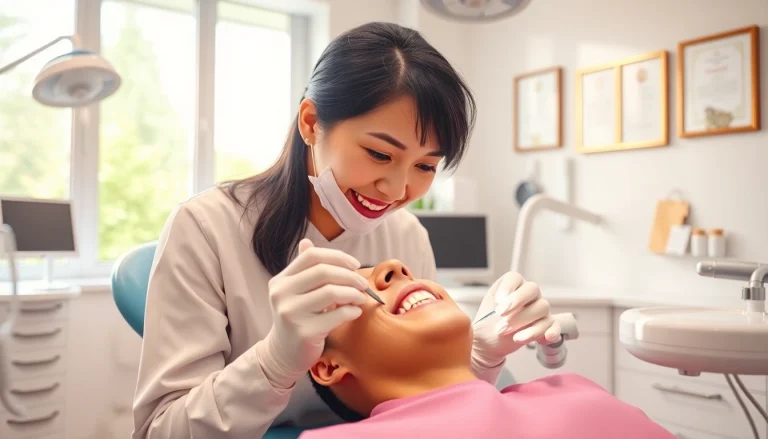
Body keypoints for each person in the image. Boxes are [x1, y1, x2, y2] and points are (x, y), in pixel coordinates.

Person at [132, 22, 561, 439]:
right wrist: (273, 363)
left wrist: (480, 359)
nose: (397, 190)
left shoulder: (407, 235)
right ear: (310, 122)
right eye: (378, 153)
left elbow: (429, 406)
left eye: (426, 166)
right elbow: (161, 431)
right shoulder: (206, 229)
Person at [298, 259, 677, 439]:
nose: (396, 268)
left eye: (405, 271)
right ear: (328, 366)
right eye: (356, 287)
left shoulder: (573, 389)